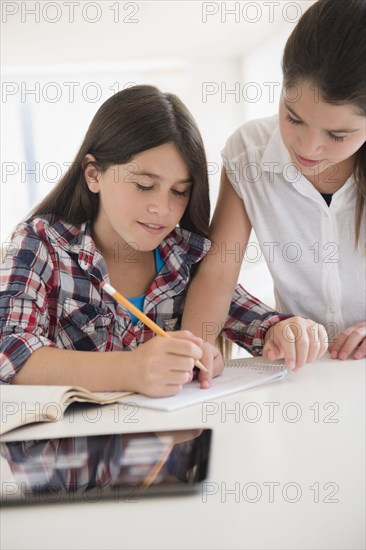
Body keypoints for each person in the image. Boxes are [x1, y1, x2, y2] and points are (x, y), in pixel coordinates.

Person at [0, 85, 326, 394]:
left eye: (179, 191)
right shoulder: (41, 243)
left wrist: (285, 331)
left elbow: (257, 322)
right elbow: (9, 350)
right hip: (70, 447)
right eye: (144, 185)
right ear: (94, 174)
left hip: (169, 444)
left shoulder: (185, 257)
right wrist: (129, 369)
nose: (163, 209)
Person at [182, 0, 366, 363]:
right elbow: (218, 274)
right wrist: (193, 350)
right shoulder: (247, 154)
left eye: (337, 134)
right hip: (303, 374)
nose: (309, 147)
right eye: (293, 118)